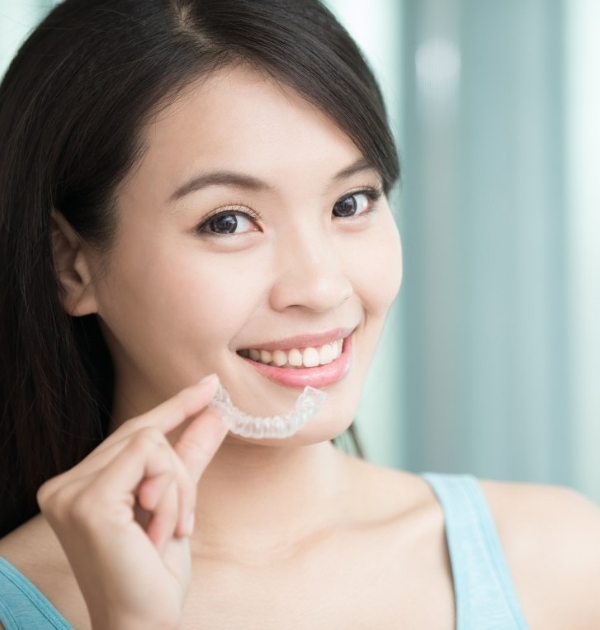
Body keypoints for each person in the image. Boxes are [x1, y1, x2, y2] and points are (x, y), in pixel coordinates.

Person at [0, 0, 599, 628]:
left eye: (351, 202)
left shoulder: (560, 563)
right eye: (228, 221)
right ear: (70, 265)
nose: (319, 286)